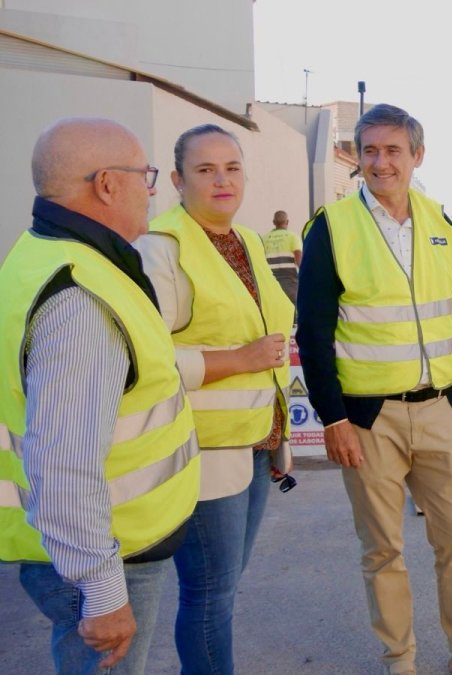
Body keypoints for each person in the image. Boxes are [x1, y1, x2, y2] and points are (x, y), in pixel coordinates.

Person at [295, 104, 452, 675]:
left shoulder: (440, 222)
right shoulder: (332, 226)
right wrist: (333, 419)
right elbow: (313, 333)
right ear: (357, 157)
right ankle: (400, 660)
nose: (381, 162)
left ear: (417, 156)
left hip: (440, 408)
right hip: (369, 419)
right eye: (370, 150)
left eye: (393, 150)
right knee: (382, 550)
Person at [0, 117, 200, 673]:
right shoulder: (81, 298)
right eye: (145, 176)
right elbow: (62, 461)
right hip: (109, 559)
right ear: (108, 184)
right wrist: (103, 590)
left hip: (94, 548)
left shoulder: (42, 254)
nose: (151, 190)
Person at [135, 123, 293, 675]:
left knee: (222, 588)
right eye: (205, 170)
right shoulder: (161, 248)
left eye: (231, 168)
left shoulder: (246, 241)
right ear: (178, 181)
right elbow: (142, 359)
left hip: (254, 444)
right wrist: (239, 360)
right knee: (209, 596)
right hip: (201, 453)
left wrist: (277, 437)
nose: (222, 180)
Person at [261, 210, 303, 304]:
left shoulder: (264, 238)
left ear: (274, 222)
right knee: (294, 308)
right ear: (287, 222)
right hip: (290, 282)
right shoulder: (293, 237)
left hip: (271, 282)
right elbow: (299, 261)